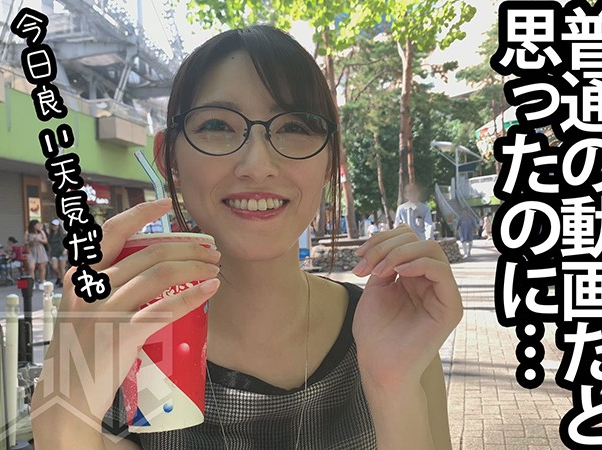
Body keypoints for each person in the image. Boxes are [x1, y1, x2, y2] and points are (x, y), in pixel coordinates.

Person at [32, 26, 462, 450]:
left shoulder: (390, 329)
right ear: (169, 160)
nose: (257, 165)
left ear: (332, 161)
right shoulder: (123, 340)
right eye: (216, 124)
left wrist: (391, 386)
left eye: (296, 126)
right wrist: (60, 411)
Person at [24, 219, 49, 289]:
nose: (39, 226)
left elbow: (46, 241)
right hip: (31, 250)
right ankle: (32, 282)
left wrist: (39, 240)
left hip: (40, 249)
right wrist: (31, 241)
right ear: (34, 226)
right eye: (37, 225)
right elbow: (25, 242)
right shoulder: (28, 232)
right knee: (31, 267)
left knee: (41, 267)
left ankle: (42, 281)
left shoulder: (41, 232)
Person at [48, 219, 67, 287]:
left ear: (59, 226)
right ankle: (59, 276)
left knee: (62, 267)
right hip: (54, 252)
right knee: (54, 267)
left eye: (56, 225)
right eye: (53, 225)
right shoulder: (50, 235)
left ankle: (62, 281)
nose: (54, 227)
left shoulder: (63, 234)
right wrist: (49, 255)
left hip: (62, 252)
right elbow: (50, 246)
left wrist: (65, 250)